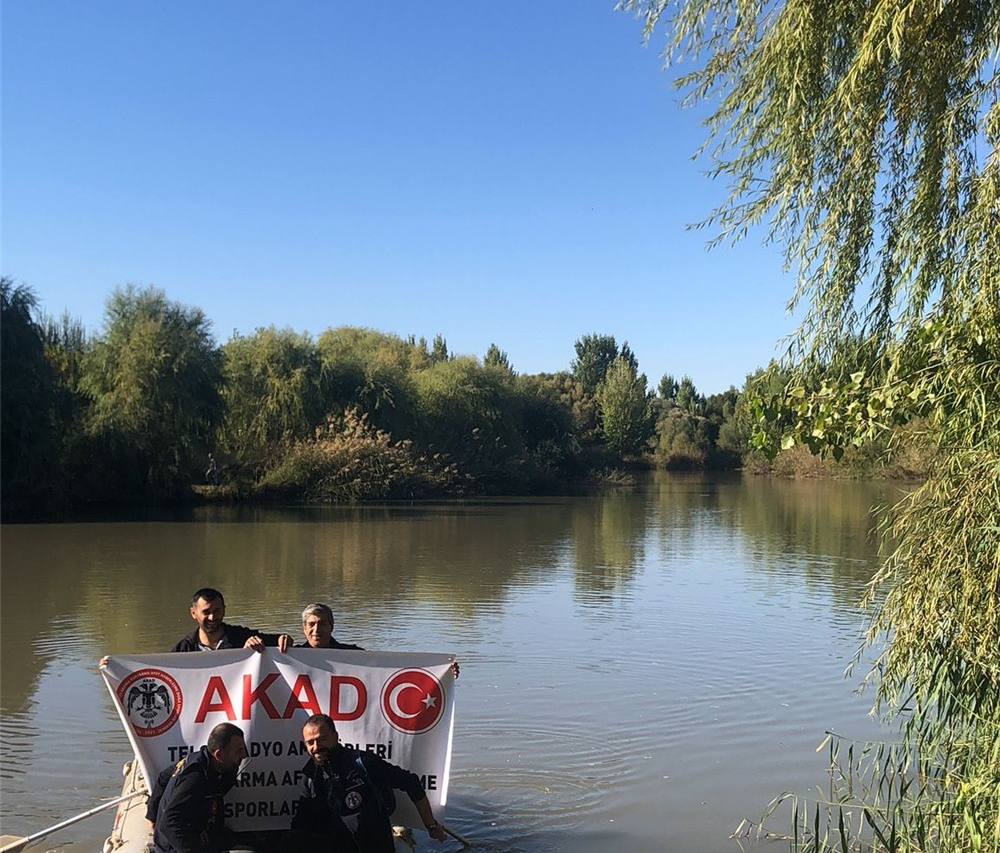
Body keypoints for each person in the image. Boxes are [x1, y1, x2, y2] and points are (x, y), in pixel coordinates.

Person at [289, 713, 447, 852]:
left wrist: (431, 825)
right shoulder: (310, 776)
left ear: (336, 737)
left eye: (322, 739)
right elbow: (301, 824)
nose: (316, 747)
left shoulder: (363, 763)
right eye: (310, 742)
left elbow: (411, 783)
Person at [153, 722, 247, 853]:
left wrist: (151, 815)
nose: (244, 756)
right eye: (239, 751)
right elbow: (169, 824)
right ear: (219, 755)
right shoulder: (194, 778)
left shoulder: (204, 761)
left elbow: (163, 777)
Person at [297, 602, 459, 678]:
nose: (316, 630)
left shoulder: (352, 655)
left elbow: (389, 668)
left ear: (332, 626)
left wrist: (441, 669)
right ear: (304, 629)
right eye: (311, 624)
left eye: (322, 624)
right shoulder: (291, 656)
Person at [173, 587, 293, 653]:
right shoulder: (183, 649)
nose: (212, 617)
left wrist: (284, 639)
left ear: (224, 610)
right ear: (193, 613)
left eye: (217, 611)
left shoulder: (241, 636)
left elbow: (284, 641)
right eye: (206, 612)